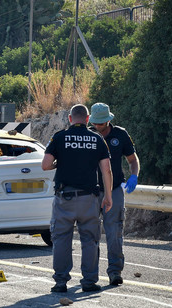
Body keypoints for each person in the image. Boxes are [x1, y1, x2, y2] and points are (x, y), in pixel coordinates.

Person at [42, 104, 113, 293]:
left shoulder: (59, 137)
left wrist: (59, 163)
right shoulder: (97, 138)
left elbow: (45, 165)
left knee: (61, 239)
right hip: (89, 199)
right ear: (88, 119)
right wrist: (108, 196)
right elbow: (106, 169)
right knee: (90, 240)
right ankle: (89, 281)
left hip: (64, 199)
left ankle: (61, 281)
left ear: (70, 119)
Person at [89, 103, 140, 286]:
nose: (98, 127)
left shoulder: (121, 134)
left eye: (101, 124)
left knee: (115, 232)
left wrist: (134, 175)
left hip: (115, 189)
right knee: (91, 234)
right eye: (95, 123)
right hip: (92, 191)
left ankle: (115, 271)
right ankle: (90, 275)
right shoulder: (88, 136)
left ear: (109, 120)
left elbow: (133, 160)